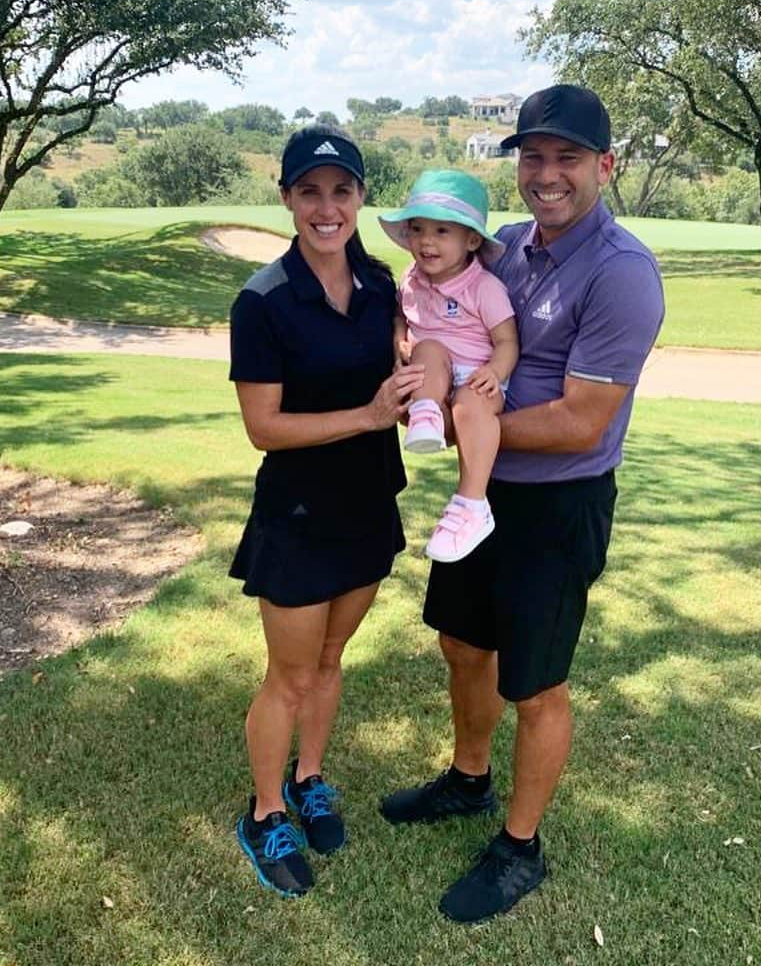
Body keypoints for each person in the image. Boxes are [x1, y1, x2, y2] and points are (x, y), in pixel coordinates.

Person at [380, 85, 665, 923]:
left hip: (557, 504)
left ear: (605, 167)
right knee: (463, 643)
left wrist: (475, 423)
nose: (547, 174)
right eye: (532, 156)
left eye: (567, 158)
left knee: (536, 685)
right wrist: (415, 380)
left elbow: (583, 421)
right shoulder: (501, 247)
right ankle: (469, 780)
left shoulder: (622, 275)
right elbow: (440, 314)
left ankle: (521, 845)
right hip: (486, 491)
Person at [228, 125, 424, 898]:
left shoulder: (381, 286)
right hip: (300, 515)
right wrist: (370, 416)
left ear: (361, 198)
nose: (327, 207)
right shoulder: (265, 301)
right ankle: (267, 809)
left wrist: (421, 401)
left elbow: (411, 365)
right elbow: (262, 429)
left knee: (332, 661)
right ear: (286, 199)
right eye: (309, 191)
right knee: (289, 675)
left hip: (370, 502)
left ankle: (310, 777)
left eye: (341, 190)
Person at [378, 169, 519, 562]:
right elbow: (402, 316)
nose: (426, 241)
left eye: (442, 231)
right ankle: (426, 415)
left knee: (470, 406)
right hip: (433, 372)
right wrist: (399, 341)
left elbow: (508, 340)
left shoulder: (483, 288)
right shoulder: (410, 280)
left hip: (476, 376)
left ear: (471, 240)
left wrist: (496, 371)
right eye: (418, 229)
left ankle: (472, 503)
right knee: (429, 350)